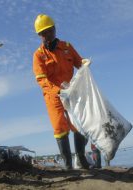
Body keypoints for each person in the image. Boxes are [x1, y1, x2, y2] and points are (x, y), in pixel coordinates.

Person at [33, 14, 91, 170]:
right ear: (39, 35)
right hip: (53, 96)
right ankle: (67, 165)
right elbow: (42, 80)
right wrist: (58, 90)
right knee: (60, 128)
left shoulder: (67, 47)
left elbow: (79, 63)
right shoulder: (38, 55)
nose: (47, 35)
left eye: (49, 31)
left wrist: (84, 63)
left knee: (77, 124)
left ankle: (81, 157)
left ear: (54, 29)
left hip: (72, 93)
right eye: (43, 33)